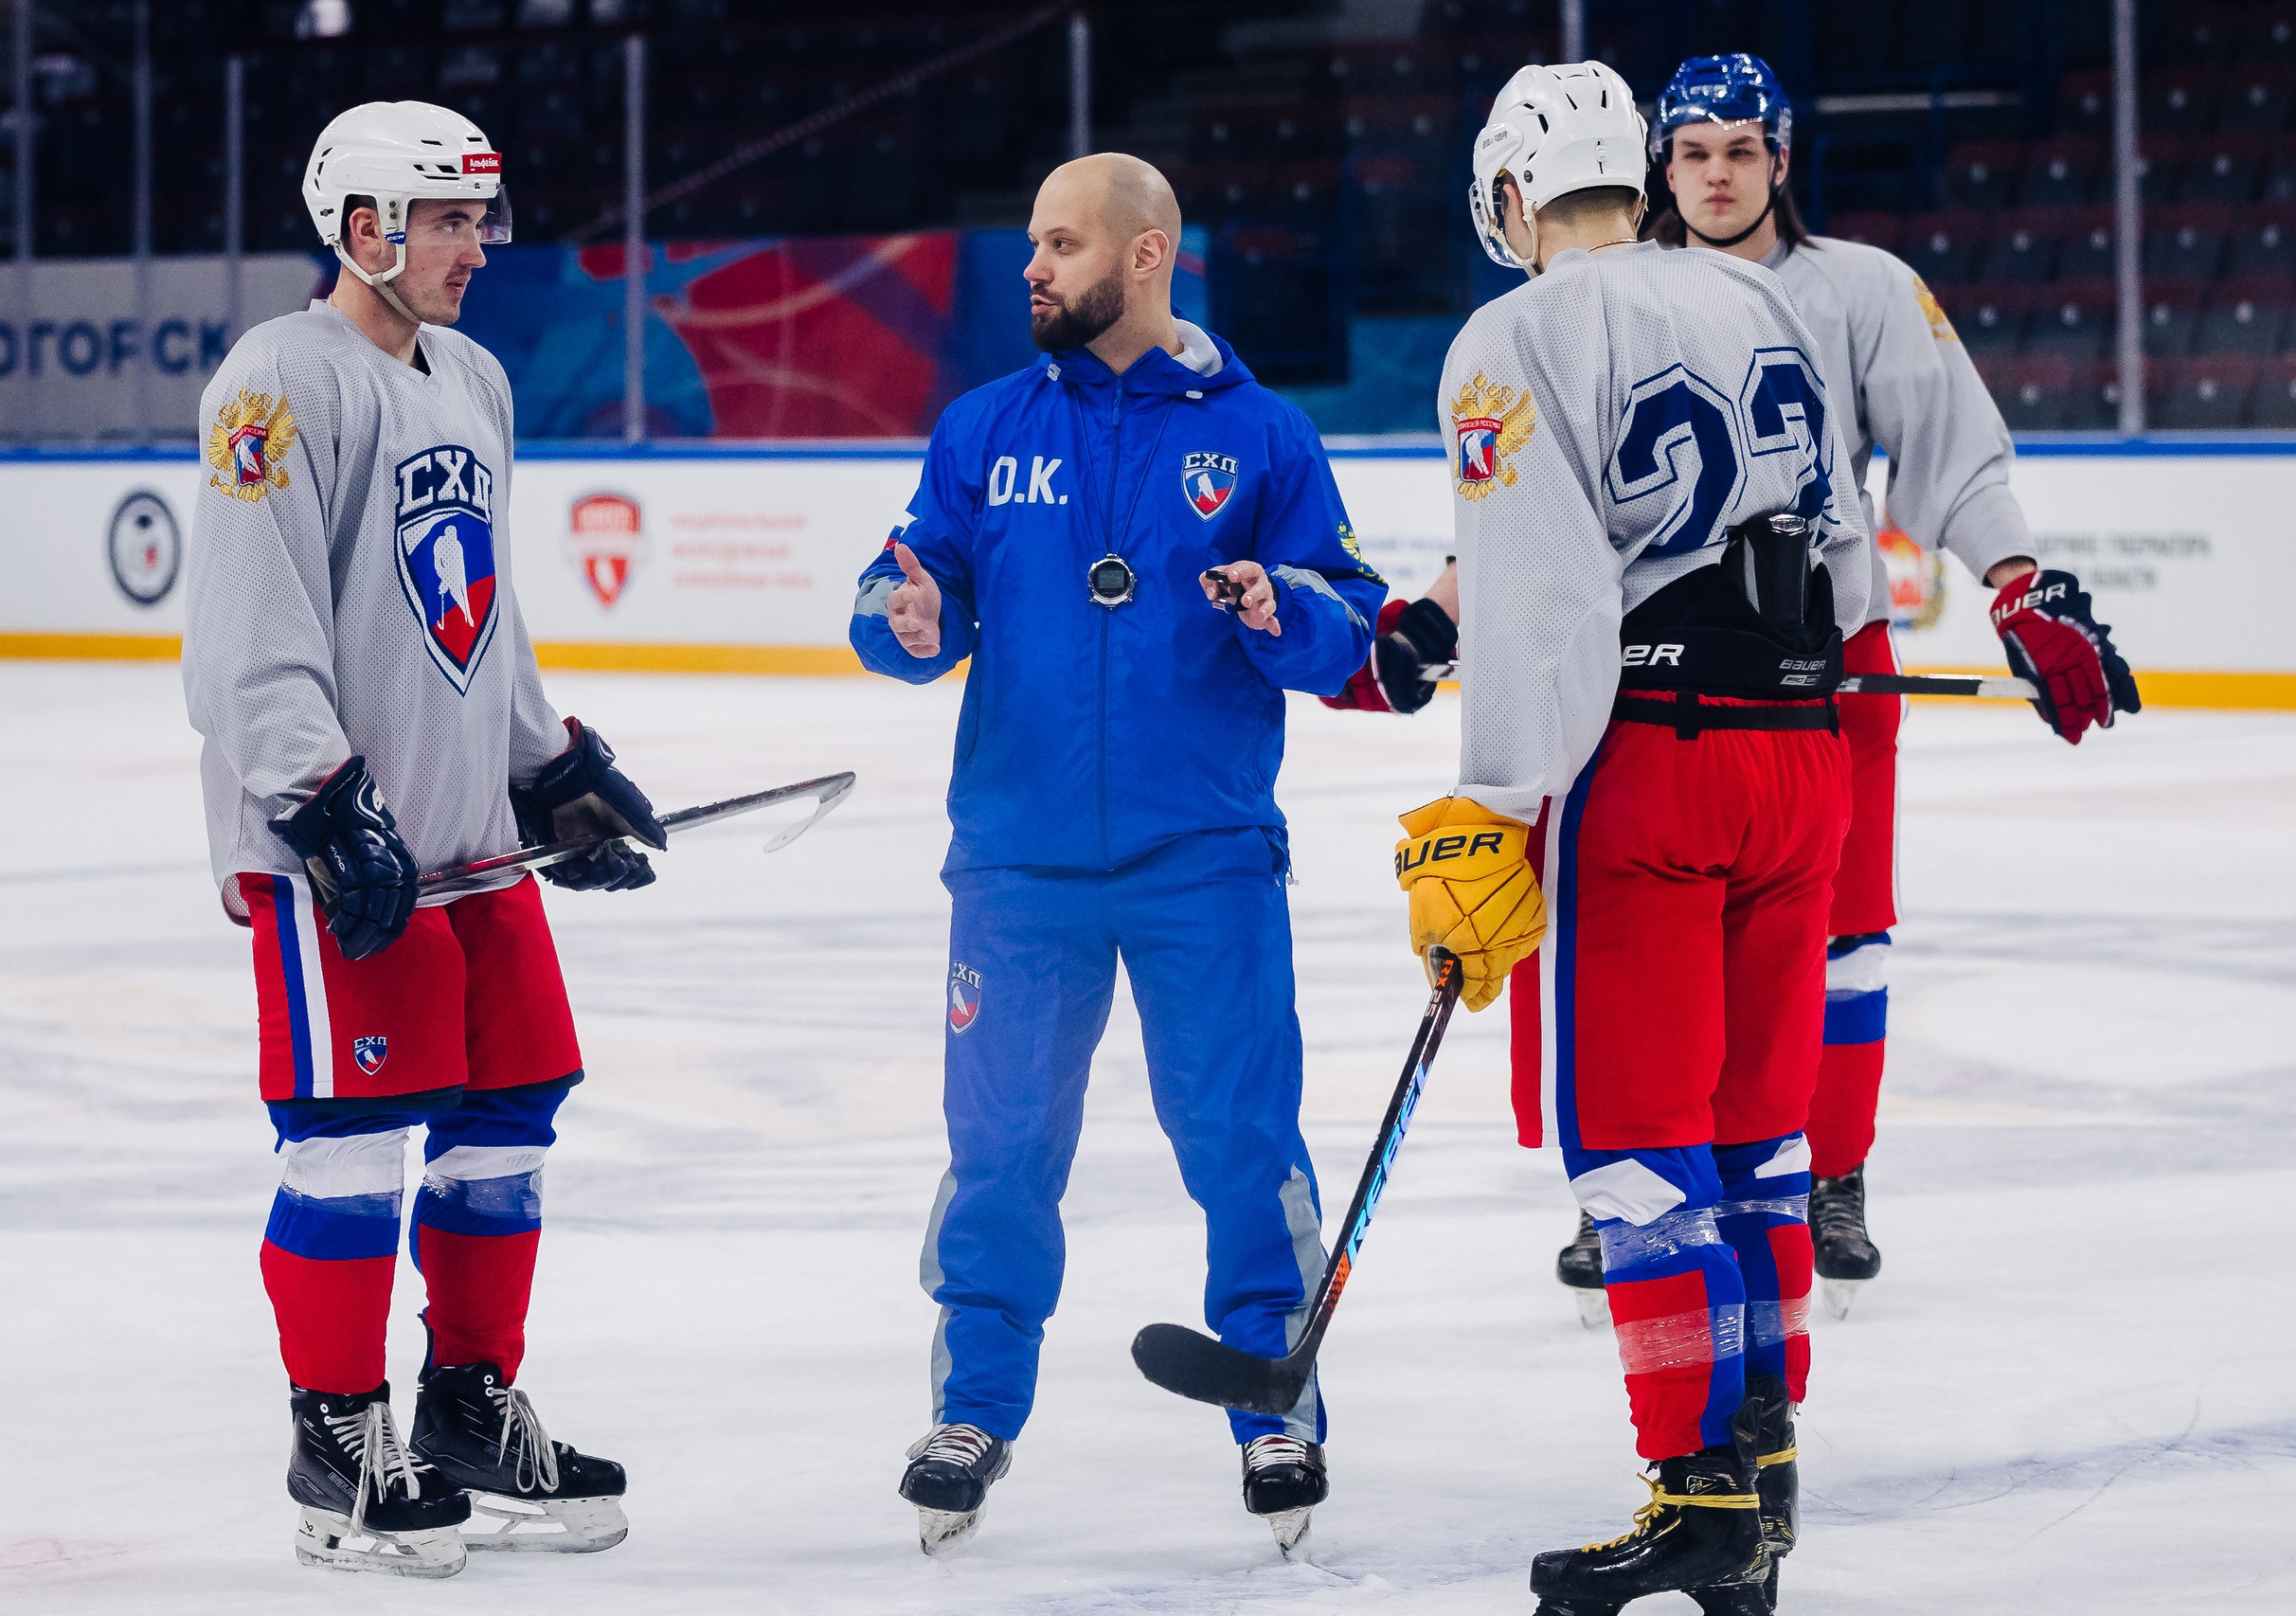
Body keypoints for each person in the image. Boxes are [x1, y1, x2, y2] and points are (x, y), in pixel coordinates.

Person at [1347, 54, 2144, 1324]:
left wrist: (1493, 791)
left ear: (1781, 158)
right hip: (1780, 706)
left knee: (1809, 964)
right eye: (1692, 151)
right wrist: (1446, 611)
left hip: (1703, 715)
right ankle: (1747, 1329)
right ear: (1650, 164)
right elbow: (1685, 515)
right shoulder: (1709, 302)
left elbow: (1554, 552)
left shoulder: (1830, 291)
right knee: (1743, 1006)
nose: (1715, 173)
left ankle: (1785, 1207)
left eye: (1739, 149)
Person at [849, 152, 1384, 1558]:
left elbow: (1354, 618)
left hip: (1202, 856)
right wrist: (899, 621)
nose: (1032, 265)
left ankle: (1275, 1397)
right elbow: (905, 584)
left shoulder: (1262, 436)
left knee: (1237, 1139)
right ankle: (974, 1404)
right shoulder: (979, 428)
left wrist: (1288, 608)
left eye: (1061, 242)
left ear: (1146, 257)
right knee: (1003, 1149)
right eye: (1031, 240)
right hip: (1017, 867)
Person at [1395, 61, 1871, 1612]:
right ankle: (1768, 1458)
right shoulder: (1764, 304)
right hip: (1801, 767)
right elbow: (1849, 571)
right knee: (1761, 1142)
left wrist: (1493, 807)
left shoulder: (1508, 335)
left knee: (1637, 1153)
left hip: (1652, 781)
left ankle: (1698, 1490)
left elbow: (1541, 602)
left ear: (1516, 194)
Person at [184, 100, 663, 1578]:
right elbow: (244, 627)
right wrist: (321, 798)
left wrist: (552, 768)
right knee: (348, 1143)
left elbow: (481, 614)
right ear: (364, 226)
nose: (473, 247)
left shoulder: (475, 379)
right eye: (444, 220)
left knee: (516, 1102)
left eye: (478, 218)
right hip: (339, 851)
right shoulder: (277, 379)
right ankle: (338, 1429)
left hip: (464, 844)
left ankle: (466, 1405)